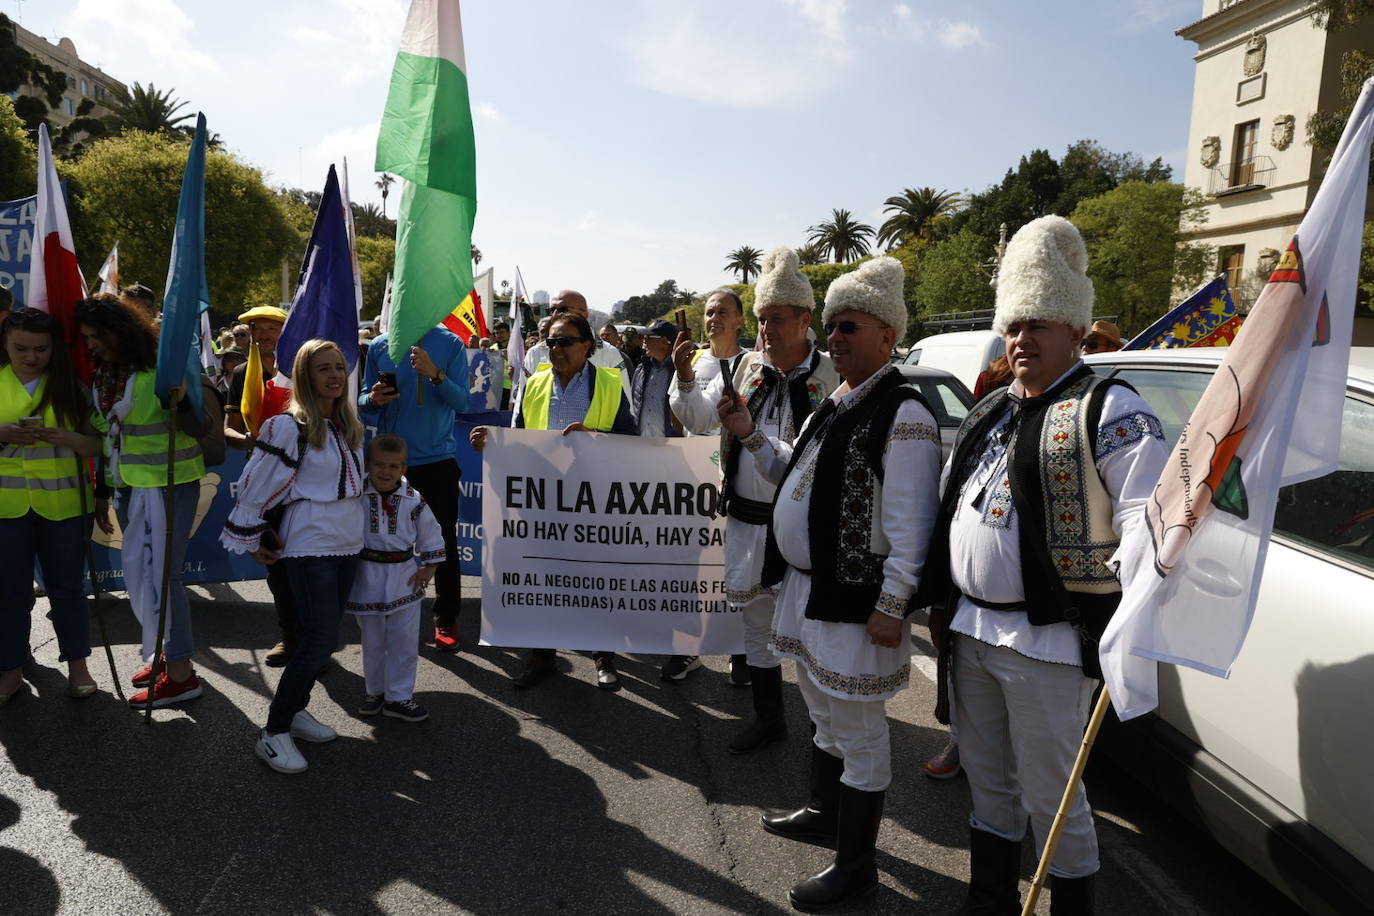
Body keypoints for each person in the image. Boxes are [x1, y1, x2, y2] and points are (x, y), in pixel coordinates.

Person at [921, 216, 1167, 914]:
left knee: (1053, 793)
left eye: (1040, 325)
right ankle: (989, 899)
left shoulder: (1109, 406)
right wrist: (940, 604)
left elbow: (1141, 511)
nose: (1022, 338)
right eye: (1016, 325)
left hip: (1048, 642)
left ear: (1075, 332)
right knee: (991, 783)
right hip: (971, 631)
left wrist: (1138, 574)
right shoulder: (994, 405)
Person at [756, 257, 942, 911]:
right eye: (831, 327)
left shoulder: (905, 415)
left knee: (859, 733)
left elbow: (911, 526)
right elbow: (795, 475)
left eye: (849, 327)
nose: (834, 338)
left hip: (857, 603)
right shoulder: (838, 402)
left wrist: (893, 605)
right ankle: (823, 812)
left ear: (887, 335)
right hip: (810, 592)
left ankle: (856, 866)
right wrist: (747, 436)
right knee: (824, 715)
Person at [668, 247, 838, 753]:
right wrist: (683, 379)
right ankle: (770, 718)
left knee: (809, 631)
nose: (766, 330)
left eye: (776, 320)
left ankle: (823, 732)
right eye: (762, 320)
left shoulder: (829, 377)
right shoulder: (749, 370)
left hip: (804, 531)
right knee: (756, 626)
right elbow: (704, 421)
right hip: (746, 521)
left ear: (805, 320)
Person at [223, 339, 366, 774]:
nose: (334, 376)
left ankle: (296, 711)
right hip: (309, 550)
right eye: (323, 368)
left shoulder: (346, 425)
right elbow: (255, 485)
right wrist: (256, 536)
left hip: (346, 547)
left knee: (322, 636)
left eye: (339, 367)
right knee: (318, 641)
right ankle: (274, 731)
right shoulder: (289, 427)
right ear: (305, 376)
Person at [470, 312, 635, 690]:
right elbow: (519, 435)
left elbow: (631, 440)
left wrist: (592, 437)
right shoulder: (536, 382)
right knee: (544, 580)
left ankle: (603, 656)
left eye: (565, 342)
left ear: (588, 346)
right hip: (543, 500)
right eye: (551, 342)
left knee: (594, 580)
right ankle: (542, 658)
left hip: (591, 499)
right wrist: (491, 443)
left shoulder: (609, 383)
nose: (556, 349)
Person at [77, 295, 210, 708]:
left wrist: (183, 399)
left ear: (122, 331)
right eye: (86, 338)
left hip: (171, 484)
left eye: (97, 336)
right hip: (129, 486)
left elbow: (197, 424)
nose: (91, 345)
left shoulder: (162, 366)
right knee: (141, 573)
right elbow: (107, 434)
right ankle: (165, 655)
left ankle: (183, 676)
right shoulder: (106, 374)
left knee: (163, 578)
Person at [0, 309, 103, 706]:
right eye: (20, 348)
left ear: (54, 348)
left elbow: (98, 445)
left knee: (68, 590)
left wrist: (68, 438)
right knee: (8, 593)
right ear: (5, 344)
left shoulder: (70, 387)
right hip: (7, 510)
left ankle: (78, 667)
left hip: (64, 508)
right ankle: (9, 670)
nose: (30, 356)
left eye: (40, 349)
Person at [360, 322, 469, 652]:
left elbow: (462, 402)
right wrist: (373, 398)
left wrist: (435, 374)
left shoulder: (451, 343)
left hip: (437, 461)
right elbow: (363, 399)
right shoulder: (380, 345)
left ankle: (446, 619)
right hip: (389, 464)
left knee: (443, 542)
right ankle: (384, 611)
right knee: (382, 541)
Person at [661, 288, 749, 682]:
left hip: (743, 483)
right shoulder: (691, 363)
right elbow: (694, 421)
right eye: (709, 312)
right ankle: (689, 650)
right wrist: (683, 377)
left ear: (740, 320)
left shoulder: (755, 364)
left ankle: (742, 651)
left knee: (741, 569)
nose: (713, 318)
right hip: (697, 482)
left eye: (722, 312)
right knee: (694, 571)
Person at [346, 434, 443, 723]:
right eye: (379, 465)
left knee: (403, 639)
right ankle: (374, 692)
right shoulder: (356, 494)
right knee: (372, 640)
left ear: (404, 469)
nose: (385, 472)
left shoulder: (414, 500)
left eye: (393, 466)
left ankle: (399, 697)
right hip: (367, 577)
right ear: (367, 464)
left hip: (404, 577)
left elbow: (431, 532)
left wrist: (429, 567)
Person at [223, 305, 299, 668]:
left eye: (272, 329)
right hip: (265, 483)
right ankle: (289, 635)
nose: (265, 335)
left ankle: (315, 639)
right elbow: (229, 428)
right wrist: (251, 441)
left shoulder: (299, 367)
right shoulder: (241, 373)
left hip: (303, 480)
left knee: (309, 561)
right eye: (259, 330)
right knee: (277, 564)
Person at [520, 290, 633, 405]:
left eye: (562, 310)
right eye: (551, 310)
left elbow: (625, 406)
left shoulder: (609, 354)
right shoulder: (535, 353)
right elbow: (522, 404)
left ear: (585, 314)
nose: (554, 316)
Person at [632, 319, 681, 439]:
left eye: (648, 337)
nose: (644, 341)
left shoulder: (681, 371)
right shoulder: (641, 369)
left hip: (673, 449)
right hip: (642, 446)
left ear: (664, 341)